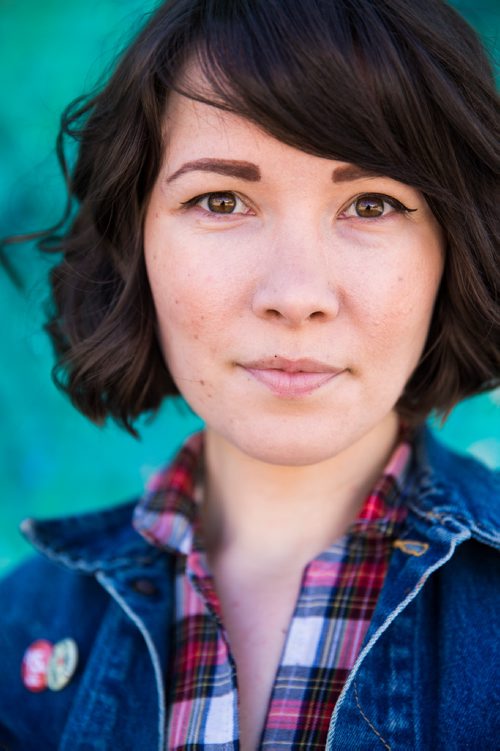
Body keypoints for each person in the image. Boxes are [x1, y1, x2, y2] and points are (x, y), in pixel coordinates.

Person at [0, 0, 499, 748]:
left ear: (452, 252)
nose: (296, 294)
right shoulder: (23, 631)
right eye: (221, 200)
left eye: (372, 203)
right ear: (137, 244)